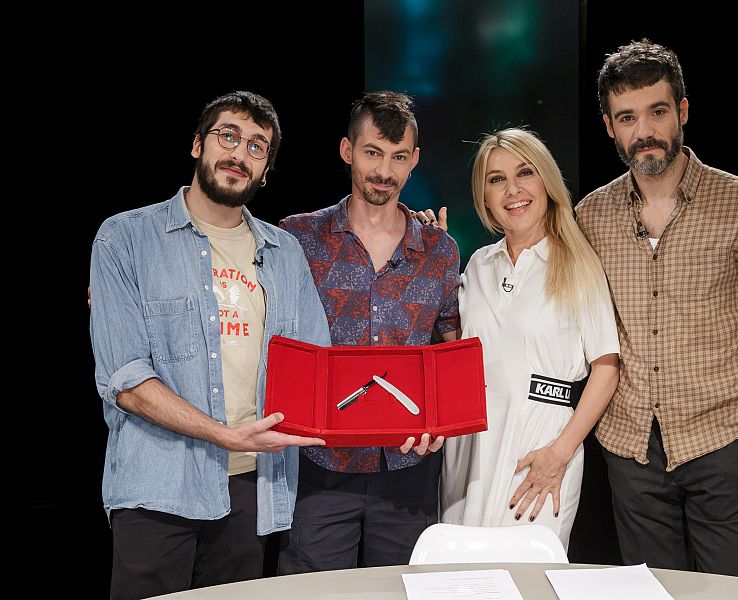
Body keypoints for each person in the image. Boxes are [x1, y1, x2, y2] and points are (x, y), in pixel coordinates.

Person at [575, 40, 738, 579]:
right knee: (652, 595)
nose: (644, 132)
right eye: (628, 117)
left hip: (723, 446)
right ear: (610, 127)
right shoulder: (591, 216)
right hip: (630, 454)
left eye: (658, 111)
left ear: (682, 111)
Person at [89, 91, 331, 600]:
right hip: (158, 485)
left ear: (266, 169)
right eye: (229, 136)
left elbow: (318, 367)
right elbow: (125, 380)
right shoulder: (126, 238)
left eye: (257, 147)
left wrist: (405, 426)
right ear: (198, 145)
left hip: (251, 485)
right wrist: (226, 435)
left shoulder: (284, 252)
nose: (239, 154)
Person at [277, 91, 461, 572]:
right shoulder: (296, 239)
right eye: (373, 152)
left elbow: (450, 346)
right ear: (347, 150)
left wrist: (439, 424)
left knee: (401, 591)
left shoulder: (440, 251)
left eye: (399, 157)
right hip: (321, 467)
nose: (385, 170)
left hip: (408, 468)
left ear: (414, 160)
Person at [440, 128, 620, 549]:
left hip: (540, 446)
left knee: (528, 577)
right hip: (470, 446)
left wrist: (560, 453)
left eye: (525, 173)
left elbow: (606, 369)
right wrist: (436, 260)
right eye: (496, 178)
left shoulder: (578, 265)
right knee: (459, 578)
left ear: (547, 183)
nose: (513, 189)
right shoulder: (478, 265)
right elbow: (455, 350)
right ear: (484, 196)